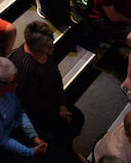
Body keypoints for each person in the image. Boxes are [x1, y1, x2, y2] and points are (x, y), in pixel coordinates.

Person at [8, 21, 85, 162]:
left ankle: (72, 149)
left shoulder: (46, 52)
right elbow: (35, 103)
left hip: (51, 101)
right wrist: (58, 113)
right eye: (48, 47)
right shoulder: (25, 68)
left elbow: (56, 77)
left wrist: (62, 105)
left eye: (51, 44)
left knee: (77, 117)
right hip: (35, 111)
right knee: (57, 145)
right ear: (34, 48)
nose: (52, 49)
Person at [0, 57, 49, 162]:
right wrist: (31, 151)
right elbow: (2, 138)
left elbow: (20, 112)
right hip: (7, 138)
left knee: (51, 143)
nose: (16, 85)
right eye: (12, 82)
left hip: (16, 126)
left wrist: (34, 137)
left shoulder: (6, 87)